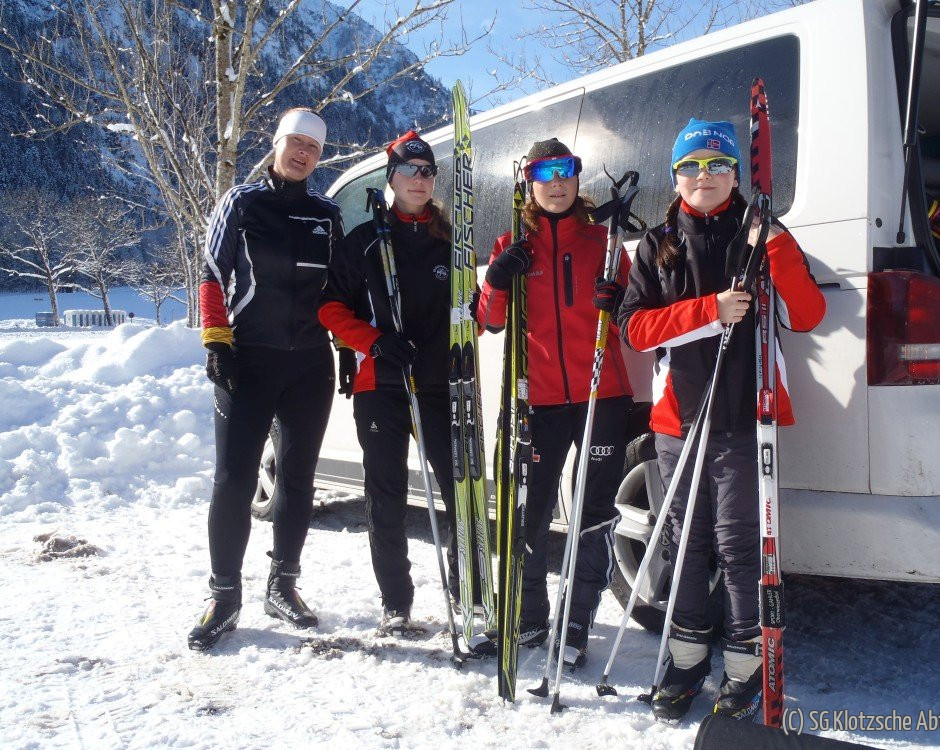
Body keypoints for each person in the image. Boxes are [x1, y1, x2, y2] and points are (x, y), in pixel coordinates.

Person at [617, 118, 825, 720]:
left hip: (745, 418)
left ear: (736, 174)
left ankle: (744, 665)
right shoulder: (657, 244)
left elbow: (808, 315)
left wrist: (774, 244)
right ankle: (685, 660)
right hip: (678, 420)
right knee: (684, 543)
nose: (703, 176)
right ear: (675, 176)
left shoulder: (762, 233)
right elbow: (634, 330)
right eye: (690, 166)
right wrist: (710, 311)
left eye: (717, 164)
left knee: (739, 545)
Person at [188, 107, 344, 651]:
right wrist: (216, 340)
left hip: (310, 365)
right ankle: (223, 595)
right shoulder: (242, 201)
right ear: (276, 144)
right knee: (233, 479)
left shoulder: (327, 214)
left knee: (298, 479)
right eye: (295, 141)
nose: (303, 153)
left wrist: (348, 348)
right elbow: (212, 272)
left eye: (313, 147)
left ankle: (283, 585)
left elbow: (340, 291)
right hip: (248, 359)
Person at [477, 138, 634, 669]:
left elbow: (635, 321)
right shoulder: (511, 243)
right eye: (545, 173)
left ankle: (577, 620)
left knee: (593, 513)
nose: (557, 183)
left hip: (601, 395)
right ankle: (529, 616)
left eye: (566, 171)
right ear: (529, 183)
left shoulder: (605, 244)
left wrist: (618, 302)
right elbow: (490, 321)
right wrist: (497, 279)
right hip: (536, 401)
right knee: (529, 513)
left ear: (577, 177)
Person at [318, 131, 465, 638]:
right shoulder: (364, 242)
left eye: (428, 172)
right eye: (409, 171)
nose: (419, 180)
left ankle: (466, 589)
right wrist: (375, 341)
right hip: (381, 383)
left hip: (441, 383)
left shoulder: (451, 241)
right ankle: (396, 602)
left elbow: (471, 309)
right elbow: (329, 307)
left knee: (459, 489)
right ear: (392, 178)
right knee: (386, 495)